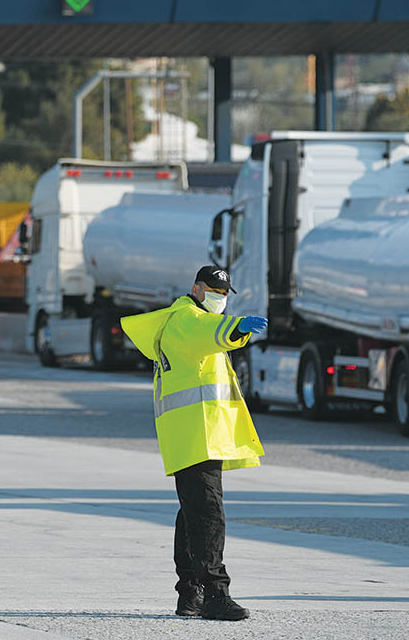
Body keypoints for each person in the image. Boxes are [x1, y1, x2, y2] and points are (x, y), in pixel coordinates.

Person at [121, 265, 267, 621]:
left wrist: (231, 328)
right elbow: (207, 332)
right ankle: (216, 594)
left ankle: (191, 594)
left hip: (195, 434)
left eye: (223, 294)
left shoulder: (187, 319)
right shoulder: (185, 319)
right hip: (195, 433)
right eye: (214, 292)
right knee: (208, 514)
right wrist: (236, 327)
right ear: (197, 289)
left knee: (193, 514)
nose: (219, 299)